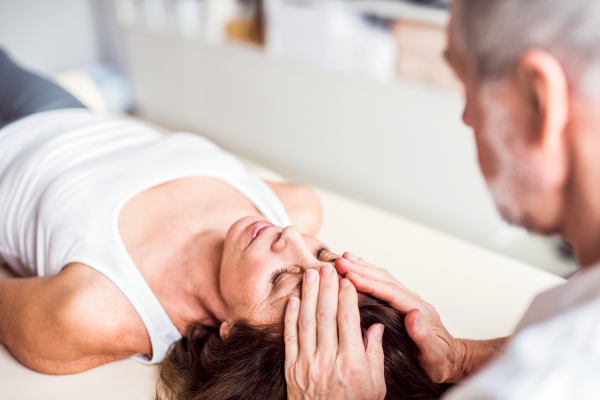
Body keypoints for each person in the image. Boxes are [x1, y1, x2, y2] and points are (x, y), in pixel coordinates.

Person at [284, 0, 600, 399]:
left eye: (468, 85)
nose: (467, 117)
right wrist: (461, 357)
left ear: (540, 100)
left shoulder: (542, 382)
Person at [0, 49, 322, 374]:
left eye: (281, 278)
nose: (291, 235)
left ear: (234, 334)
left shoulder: (98, 311)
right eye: (324, 253)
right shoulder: (297, 206)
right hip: (62, 113)